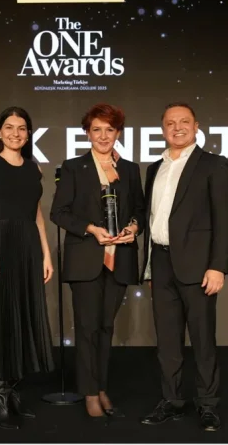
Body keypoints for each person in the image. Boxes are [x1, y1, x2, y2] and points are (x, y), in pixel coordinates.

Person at [139, 102, 228, 432]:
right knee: (167, 341)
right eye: (170, 123)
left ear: (196, 126)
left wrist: (218, 266)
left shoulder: (213, 165)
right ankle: (172, 400)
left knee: (203, 339)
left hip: (198, 266)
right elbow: (152, 220)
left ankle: (207, 404)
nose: (177, 127)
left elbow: (224, 221)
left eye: (184, 122)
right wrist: (149, 268)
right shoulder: (154, 168)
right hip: (161, 263)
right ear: (162, 128)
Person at [50, 103, 146, 421]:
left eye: (110, 130)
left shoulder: (130, 169)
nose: (103, 136)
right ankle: (90, 392)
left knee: (106, 328)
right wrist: (91, 229)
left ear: (118, 133)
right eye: (97, 130)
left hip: (120, 259)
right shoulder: (74, 168)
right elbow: (58, 213)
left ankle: (102, 387)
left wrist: (133, 228)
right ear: (87, 133)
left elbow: (140, 210)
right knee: (87, 328)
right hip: (86, 259)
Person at [0, 106, 56, 430]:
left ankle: (14, 392)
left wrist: (45, 254)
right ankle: (0, 398)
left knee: (24, 316)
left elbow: (36, 215)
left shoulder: (34, 168)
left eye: (21, 128)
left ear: (28, 133)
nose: (15, 133)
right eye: (9, 127)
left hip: (28, 248)